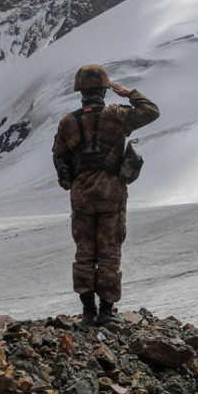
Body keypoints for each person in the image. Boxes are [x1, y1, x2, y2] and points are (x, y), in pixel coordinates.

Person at [51, 64, 159, 326]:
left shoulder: (68, 122)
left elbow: (59, 156)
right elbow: (151, 112)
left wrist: (70, 179)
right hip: (112, 196)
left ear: (80, 90)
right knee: (110, 254)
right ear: (104, 89)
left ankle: (88, 312)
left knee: (85, 254)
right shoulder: (117, 115)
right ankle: (106, 312)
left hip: (82, 198)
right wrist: (130, 94)